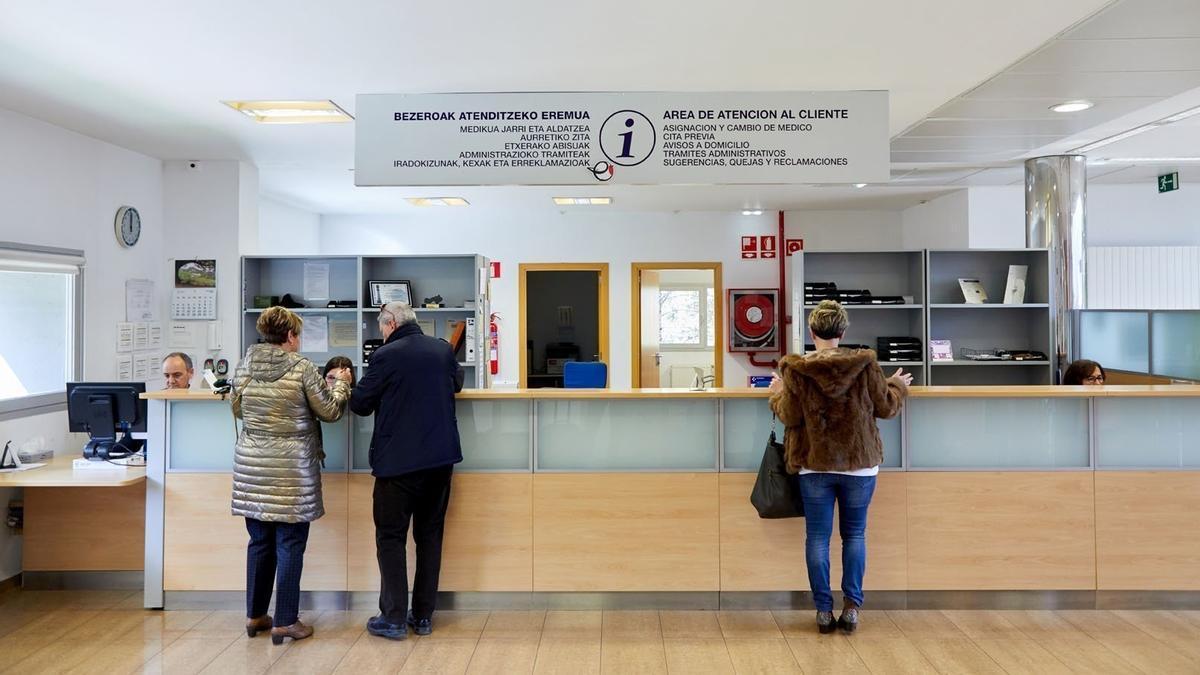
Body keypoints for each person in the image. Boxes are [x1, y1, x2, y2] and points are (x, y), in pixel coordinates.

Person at [768, 299, 911, 634]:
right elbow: (887, 407)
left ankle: (822, 610)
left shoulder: (796, 370)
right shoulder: (865, 365)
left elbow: (788, 415)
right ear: (843, 331)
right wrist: (898, 384)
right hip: (859, 466)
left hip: (814, 465)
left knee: (817, 537)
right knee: (855, 535)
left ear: (812, 331)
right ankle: (851, 609)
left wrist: (776, 393)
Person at [231, 307, 352, 644]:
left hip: (251, 467)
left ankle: (255, 615)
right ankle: (285, 620)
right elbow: (329, 411)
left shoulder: (244, 365)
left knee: (259, 543)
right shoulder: (301, 368)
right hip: (291, 471)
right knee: (289, 545)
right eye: (297, 334)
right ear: (290, 336)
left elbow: (237, 407)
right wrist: (341, 385)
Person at [350, 301, 464, 640]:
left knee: (391, 538)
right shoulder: (442, 350)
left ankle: (394, 618)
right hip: (440, 461)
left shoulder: (386, 356)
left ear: (389, 325)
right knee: (429, 537)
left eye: (382, 328)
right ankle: (424, 616)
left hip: (397, 465)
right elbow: (455, 385)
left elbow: (360, 403)